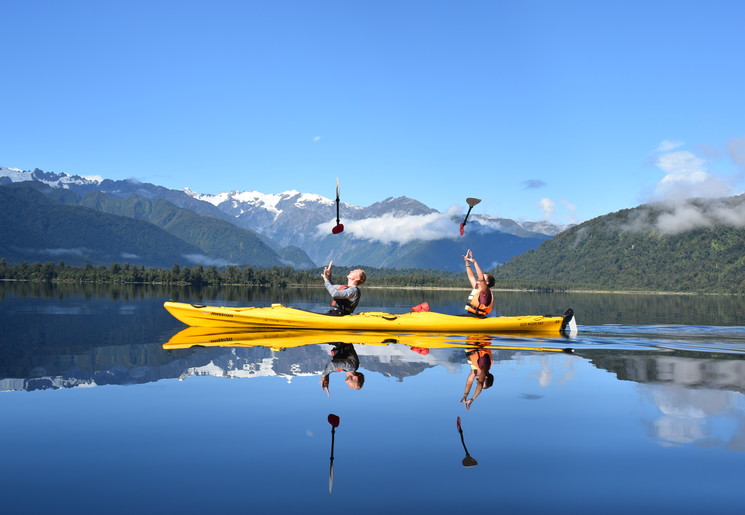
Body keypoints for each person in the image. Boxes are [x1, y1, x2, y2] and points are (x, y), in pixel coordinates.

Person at [460, 336, 494, 410]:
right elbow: (480, 384)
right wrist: (472, 399)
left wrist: (465, 395)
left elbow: (469, 381)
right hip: (478, 337)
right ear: (485, 377)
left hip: (469, 340)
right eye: (478, 380)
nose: (477, 382)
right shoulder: (485, 366)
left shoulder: (475, 371)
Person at [462, 249, 495, 317]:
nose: (480, 277)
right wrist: (467, 261)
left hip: (478, 317)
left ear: (487, 282)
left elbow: (481, 279)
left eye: (483, 277)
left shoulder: (486, 292)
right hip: (470, 315)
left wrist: (474, 262)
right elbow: (471, 276)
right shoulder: (477, 288)